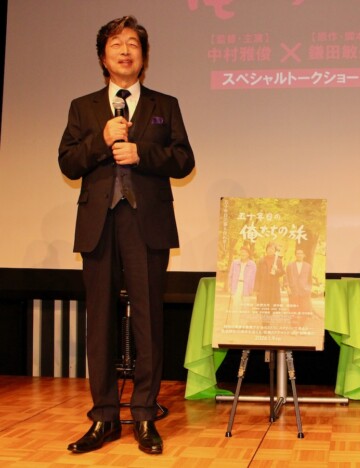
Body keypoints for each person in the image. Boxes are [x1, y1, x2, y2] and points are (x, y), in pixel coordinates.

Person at [58, 16, 195, 455]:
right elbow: (68, 163)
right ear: (103, 57)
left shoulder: (164, 104)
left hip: (146, 222)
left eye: (133, 43)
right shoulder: (83, 107)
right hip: (98, 224)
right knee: (99, 322)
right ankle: (104, 417)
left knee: (148, 320)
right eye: (116, 43)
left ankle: (144, 415)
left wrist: (143, 153)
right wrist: (102, 140)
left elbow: (184, 160)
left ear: (143, 56)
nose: (125, 50)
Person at [254, 241, 285, 314]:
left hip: (273, 287)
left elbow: (282, 272)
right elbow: (257, 275)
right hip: (263, 286)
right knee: (263, 307)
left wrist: (276, 270)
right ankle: (264, 320)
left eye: (272, 249)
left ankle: (269, 319)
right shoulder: (261, 260)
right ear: (266, 249)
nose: (270, 250)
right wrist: (256, 288)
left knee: (271, 307)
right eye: (269, 248)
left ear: (275, 251)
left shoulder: (278, 260)